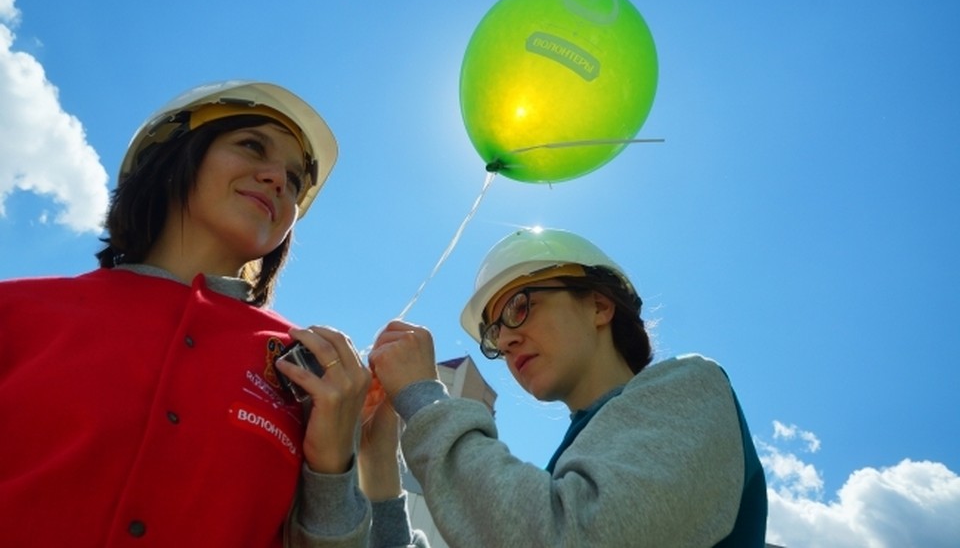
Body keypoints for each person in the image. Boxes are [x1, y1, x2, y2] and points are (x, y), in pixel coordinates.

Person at [0, 81, 414, 547]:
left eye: (294, 180)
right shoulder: (13, 312)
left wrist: (334, 467)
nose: (279, 179)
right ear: (175, 152)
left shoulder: (313, 375)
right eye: (252, 146)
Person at [366, 227, 768, 547]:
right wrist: (378, 455)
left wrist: (424, 399)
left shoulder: (693, 388)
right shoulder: (562, 478)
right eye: (494, 333)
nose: (504, 341)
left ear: (599, 306)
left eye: (518, 307)